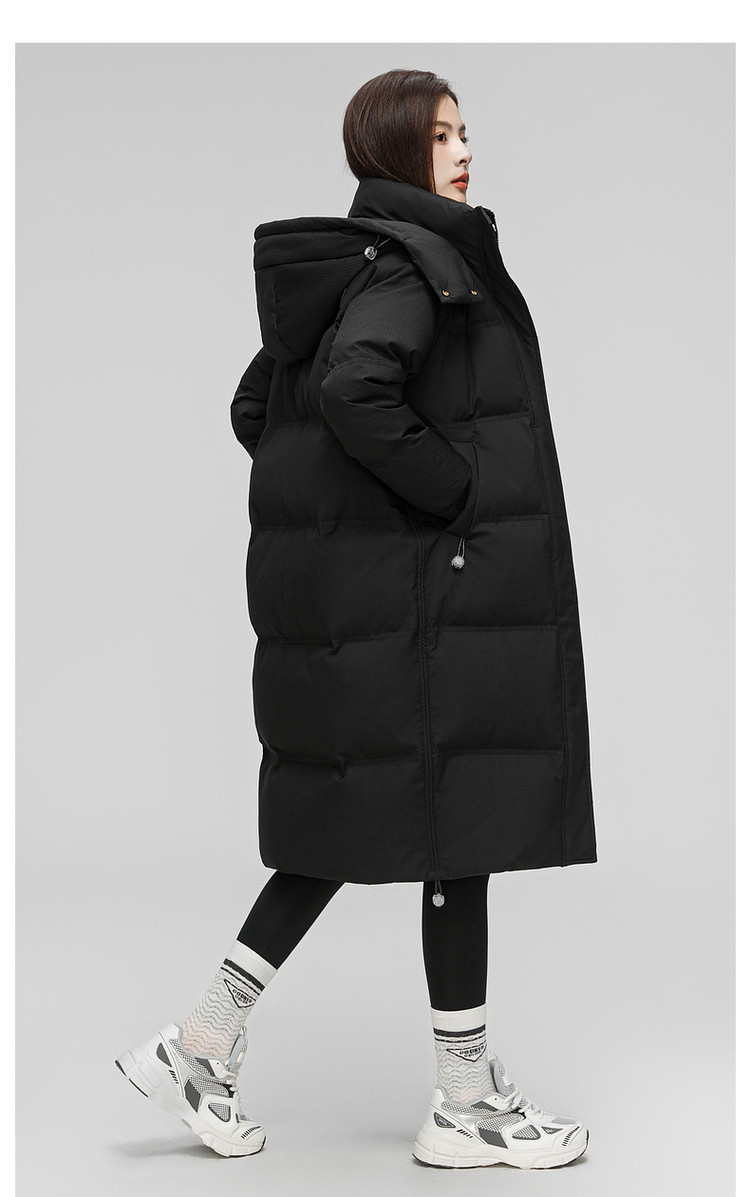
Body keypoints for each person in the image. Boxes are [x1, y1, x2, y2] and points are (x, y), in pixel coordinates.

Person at [116, 68, 597, 1170]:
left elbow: (261, 404)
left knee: (373, 828)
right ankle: (457, 1104)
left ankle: (204, 1044)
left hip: (386, 617)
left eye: (466, 132)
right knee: (450, 832)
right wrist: (450, 493)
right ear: (395, 150)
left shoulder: (356, 270)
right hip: (426, 616)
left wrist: (348, 523)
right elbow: (348, 392)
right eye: (442, 135)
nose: (465, 151)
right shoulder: (415, 268)